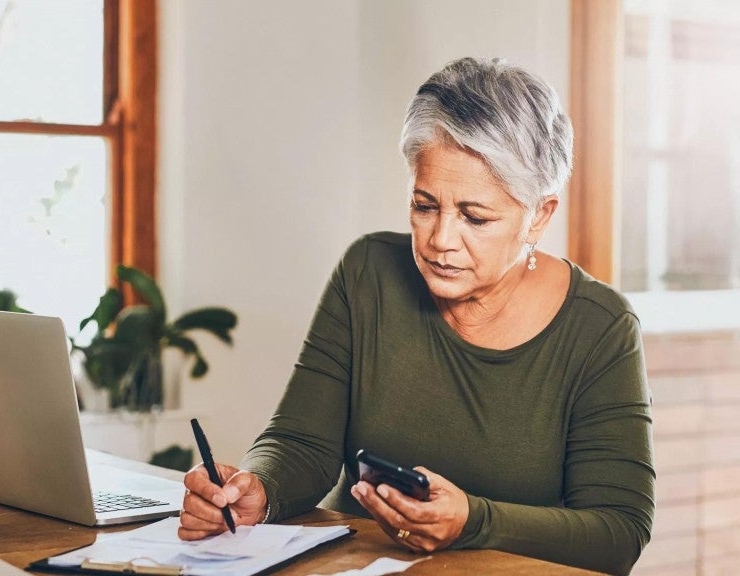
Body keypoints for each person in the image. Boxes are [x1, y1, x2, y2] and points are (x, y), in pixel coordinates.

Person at [178, 57, 654, 576]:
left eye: (475, 217)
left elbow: (618, 531)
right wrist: (259, 490)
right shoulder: (368, 272)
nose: (440, 241)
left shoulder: (600, 326)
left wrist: (474, 520)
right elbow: (301, 442)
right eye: (425, 206)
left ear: (539, 214)